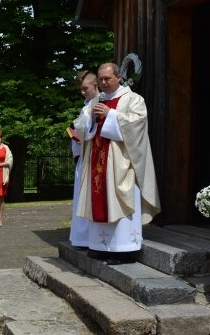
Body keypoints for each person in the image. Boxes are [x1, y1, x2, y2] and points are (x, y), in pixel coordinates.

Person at [73, 62, 161, 264]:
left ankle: (124, 249)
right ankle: (100, 247)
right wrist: (90, 121)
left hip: (121, 164)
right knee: (98, 200)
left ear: (119, 77)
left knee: (120, 201)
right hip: (97, 162)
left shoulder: (133, 99)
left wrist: (110, 115)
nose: (103, 83)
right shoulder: (96, 100)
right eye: (101, 79)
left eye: (107, 79)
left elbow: (138, 124)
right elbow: (82, 126)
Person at [69, 71, 98, 247]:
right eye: (80, 89)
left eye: (85, 88)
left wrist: (80, 131)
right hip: (83, 154)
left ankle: (89, 238)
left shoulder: (99, 103)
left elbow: (95, 128)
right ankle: (81, 238)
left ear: (95, 85)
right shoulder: (86, 106)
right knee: (81, 198)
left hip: (94, 156)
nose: (83, 92)